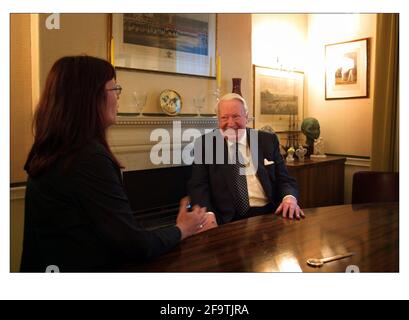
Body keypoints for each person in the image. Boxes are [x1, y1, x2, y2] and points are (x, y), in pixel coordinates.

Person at [21, 55, 207, 272]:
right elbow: (136, 245)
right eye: (114, 89)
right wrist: (182, 228)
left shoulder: (54, 149)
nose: (118, 98)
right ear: (89, 97)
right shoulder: (87, 159)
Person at [188, 93, 304, 225]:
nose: (230, 123)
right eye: (224, 117)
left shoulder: (267, 140)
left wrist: (289, 198)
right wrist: (207, 214)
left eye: (236, 116)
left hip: (270, 214)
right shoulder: (206, 144)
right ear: (218, 120)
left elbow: (285, 179)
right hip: (227, 219)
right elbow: (198, 186)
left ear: (247, 117)